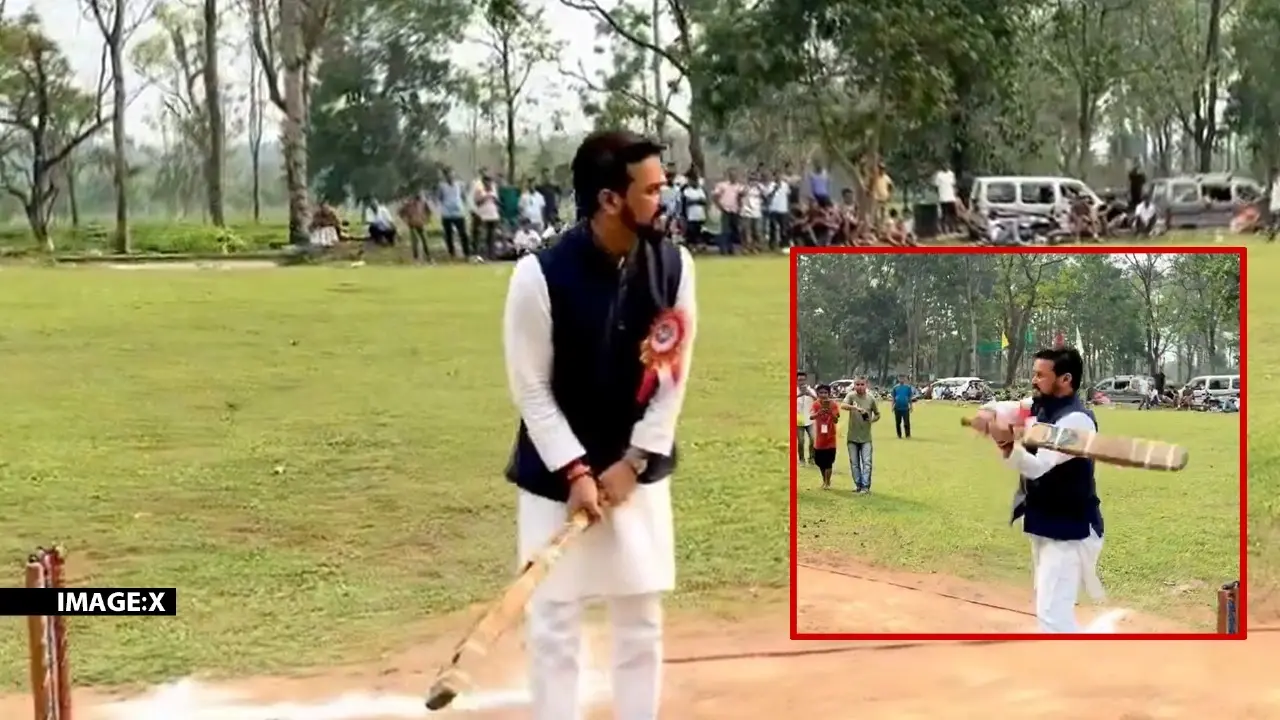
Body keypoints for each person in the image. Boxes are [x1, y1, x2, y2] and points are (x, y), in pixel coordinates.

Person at [502, 129, 696, 720]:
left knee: (640, 617)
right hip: (557, 476)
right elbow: (531, 389)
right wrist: (576, 471)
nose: (663, 199)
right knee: (555, 620)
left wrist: (635, 461)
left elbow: (672, 376)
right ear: (611, 199)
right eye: (652, 189)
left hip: (635, 470)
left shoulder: (673, 265)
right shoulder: (538, 277)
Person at [969, 347, 1104, 633]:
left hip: (1071, 529)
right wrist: (987, 412)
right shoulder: (1040, 405)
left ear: (1065, 379)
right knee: (1049, 607)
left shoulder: (1077, 421)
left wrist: (1006, 444)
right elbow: (1008, 408)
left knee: (1053, 616)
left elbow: (1039, 466)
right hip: (1046, 520)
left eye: (1041, 375)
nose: (1034, 380)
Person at [839, 377, 879, 493]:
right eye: (857, 384)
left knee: (867, 462)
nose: (860, 387)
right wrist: (854, 408)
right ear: (854, 385)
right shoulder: (851, 396)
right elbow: (843, 406)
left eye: (862, 384)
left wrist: (871, 420)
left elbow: (877, 414)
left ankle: (866, 487)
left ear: (866, 385)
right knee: (854, 463)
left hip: (866, 437)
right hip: (852, 436)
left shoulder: (871, 398)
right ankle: (858, 485)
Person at [809, 384, 840, 489]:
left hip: (830, 438)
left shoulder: (834, 404)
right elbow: (811, 416)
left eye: (825, 393)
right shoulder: (815, 404)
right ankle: (824, 480)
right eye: (821, 393)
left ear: (829, 394)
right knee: (819, 462)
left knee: (828, 462)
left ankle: (827, 483)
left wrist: (831, 413)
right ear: (817, 394)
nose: (823, 395)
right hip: (819, 439)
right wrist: (819, 413)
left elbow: (836, 420)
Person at [437, 168, 472, 259]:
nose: (450, 177)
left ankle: (466, 253)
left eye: (452, 174)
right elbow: (440, 197)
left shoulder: (459, 185)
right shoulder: (442, 186)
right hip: (447, 214)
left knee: (463, 233)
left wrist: (464, 207)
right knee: (448, 234)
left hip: (458, 213)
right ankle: (451, 253)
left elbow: (463, 196)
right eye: (448, 175)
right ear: (445, 176)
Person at [795, 371, 817, 465]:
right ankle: (801, 459)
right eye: (799, 380)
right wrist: (799, 395)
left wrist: (810, 394)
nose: (802, 382)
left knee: (813, 439)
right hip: (798, 420)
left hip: (809, 419)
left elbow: (818, 401)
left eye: (803, 380)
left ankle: (811, 458)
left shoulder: (811, 390)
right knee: (801, 441)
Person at [934, 165, 957, 234]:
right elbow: (936, 186)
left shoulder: (951, 174)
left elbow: (953, 185)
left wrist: (954, 194)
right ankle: (944, 229)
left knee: (952, 214)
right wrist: (939, 194)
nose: (946, 167)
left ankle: (952, 228)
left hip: (951, 197)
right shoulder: (939, 175)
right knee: (944, 214)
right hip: (943, 197)